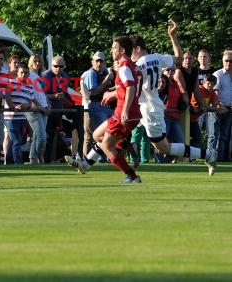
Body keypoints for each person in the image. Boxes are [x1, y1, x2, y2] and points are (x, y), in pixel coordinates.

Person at [69, 21, 216, 175]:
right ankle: (87, 164)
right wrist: (173, 37)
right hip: (140, 108)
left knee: (163, 147)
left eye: (131, 51)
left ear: (138, 48)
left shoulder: (137, 65)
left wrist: (112, 94)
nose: (129, 55)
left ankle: (207, 155)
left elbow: (132, 87)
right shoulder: (157, 57)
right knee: (101, 134)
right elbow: (179, 58)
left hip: (148, 109)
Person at [66, 36, 143, 184]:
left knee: (107, 145)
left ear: (122, 50)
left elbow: (131, 89)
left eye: (114, 48)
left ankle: (132, 176)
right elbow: (128, 88)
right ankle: (124, 147)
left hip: (124, 112)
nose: (112, 50)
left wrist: (125, 109)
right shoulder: (131, 66)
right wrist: (113, 94)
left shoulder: (124, 66)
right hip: (124, 112)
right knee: (96, 135)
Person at [81, 51, 114, 160]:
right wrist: (107, 79)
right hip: (93, 105)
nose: (99, 63)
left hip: (105, 105)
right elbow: (93, 93)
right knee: (94, 135)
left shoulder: (106, 71)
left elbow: (107, 88)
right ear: (92, 62)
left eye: (101, 61)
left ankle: (104, 158)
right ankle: (98, 159)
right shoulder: (91, 73)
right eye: (97, 61)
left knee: (109, 132)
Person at [4, 64, 36, 165]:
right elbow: (7, 96)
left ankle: (9, 162)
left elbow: (30, 103)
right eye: (21, 72)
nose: (23, 74)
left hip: (22, 117)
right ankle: (18, 163)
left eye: (26, 73)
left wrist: (25, 106)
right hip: (11, 117)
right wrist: (13, 106)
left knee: (16, 141)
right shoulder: (11, 82)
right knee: (16, 141)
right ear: (17, 73)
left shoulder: (30, 86)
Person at [41, 56, 71, 162]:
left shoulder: (65, 76)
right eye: (55, 66)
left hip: (58, 111)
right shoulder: (45, 76)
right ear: (51, 65)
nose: (58, 68)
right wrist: (53, 96)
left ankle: (50, 160)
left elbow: (65, 92)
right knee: (47, 137)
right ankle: (43, 160)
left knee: (53, 137)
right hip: (46, 112)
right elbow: (40, 96)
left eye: (61, 66)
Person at [27, 54, 50, 164]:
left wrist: (48, 105)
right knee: (41, 136)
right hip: (34, 109)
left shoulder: (40, 76)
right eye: (35, 61)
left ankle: (33, 158)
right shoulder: (29, 75)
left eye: (39, 61)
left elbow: (43, 94)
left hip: (44, 109)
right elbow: (29, 94)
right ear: (30, 62)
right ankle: (40, 157)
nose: (37, 63)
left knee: (37, 136)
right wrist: (40, 107)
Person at [213, 50, 232, 162]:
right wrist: (219, 106)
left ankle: (222, 159)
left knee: (225, 136)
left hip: (230, 109)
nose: (228, 63)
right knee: (215, 136)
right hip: (218, 108)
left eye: (231, 61)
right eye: (226, 60)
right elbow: (215, 93)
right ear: (222, 61)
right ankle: (213, 158)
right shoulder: (218, 74)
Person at [197, 49, 218, 150]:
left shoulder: (214, 72)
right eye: (201, 56)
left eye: (205, 56)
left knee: (211, 131)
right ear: (197, 58)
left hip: (210, 104)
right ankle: (193, 153)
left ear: (209, 58)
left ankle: (211, 153)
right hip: (198, 104)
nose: (203, 59)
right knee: (197, 130)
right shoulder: (195, 71)